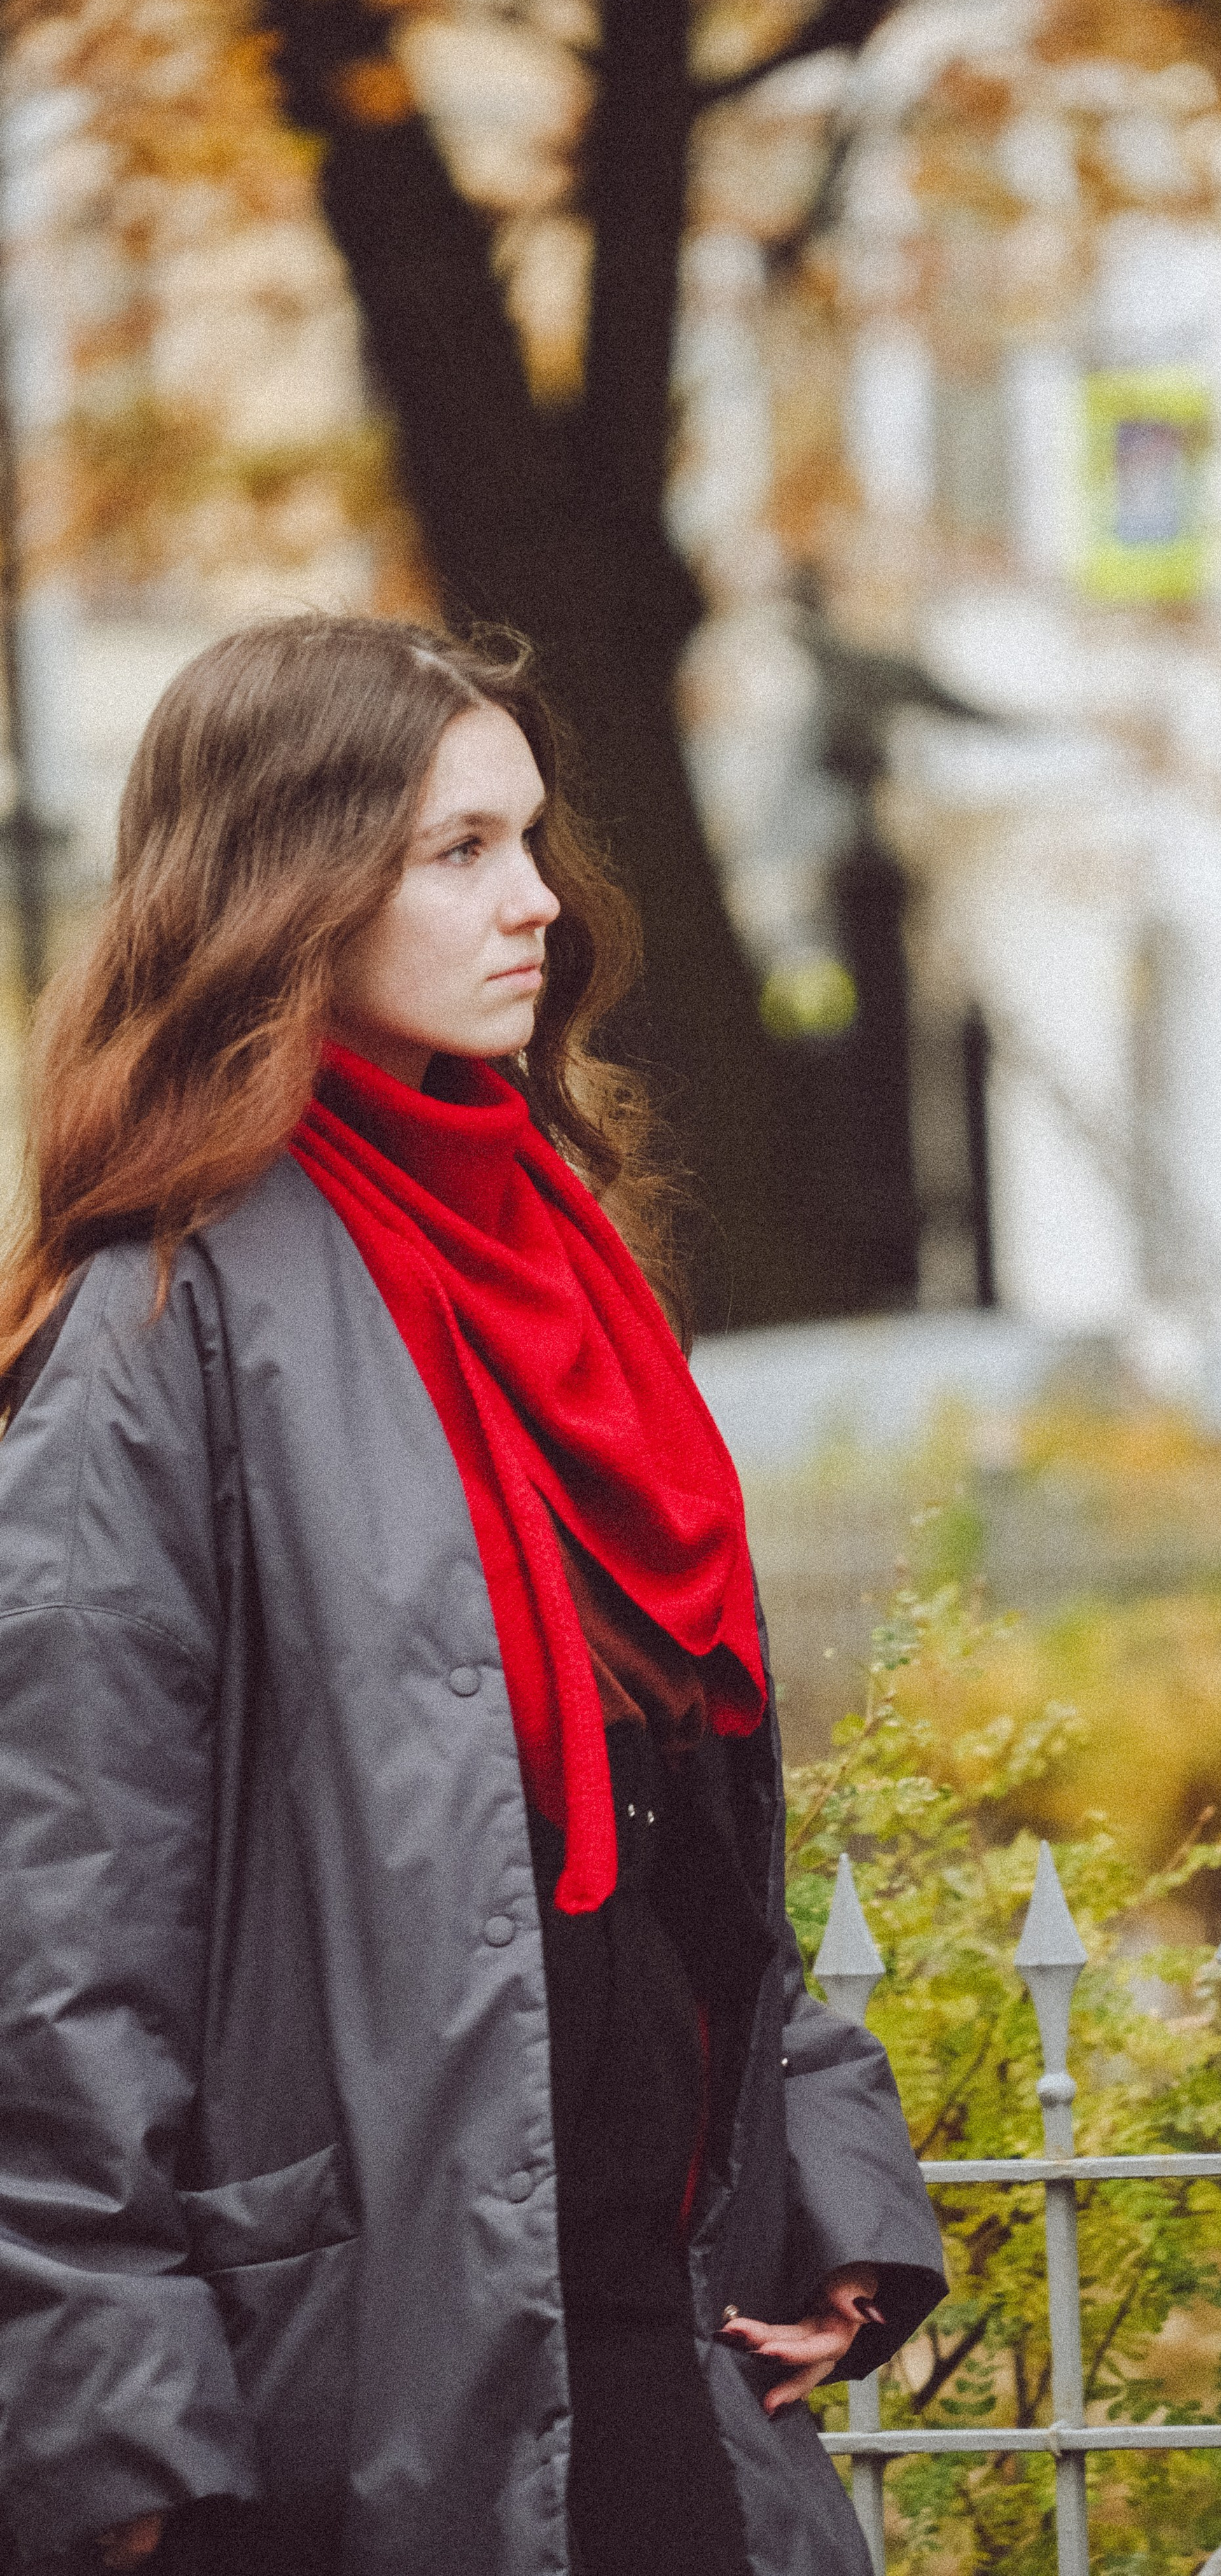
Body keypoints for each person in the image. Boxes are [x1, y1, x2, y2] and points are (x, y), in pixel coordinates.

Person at [0, 616, 945, 2576]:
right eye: (458, 854)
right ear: (287, 889)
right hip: (348, 2413)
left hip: (660, 2357)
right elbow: (54, 1936)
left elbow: (696, 1845)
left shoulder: (569, 1276)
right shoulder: (159, 1321)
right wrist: (123, 2454)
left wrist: (838, 2191)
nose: (538, 906)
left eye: (528, 842)